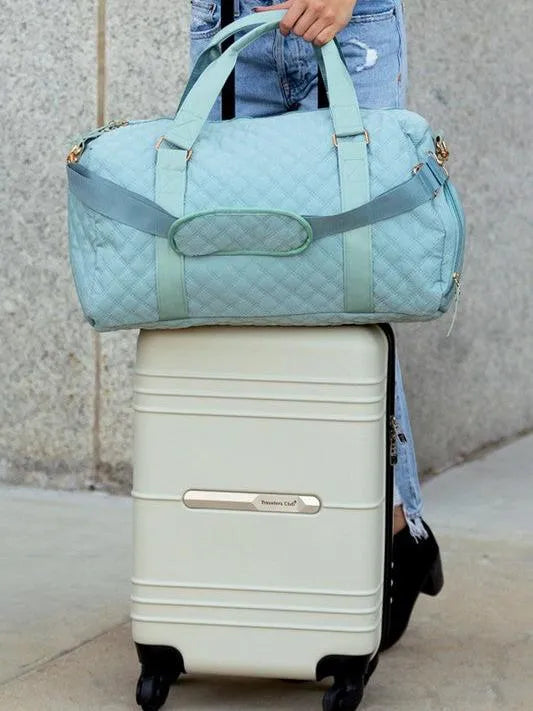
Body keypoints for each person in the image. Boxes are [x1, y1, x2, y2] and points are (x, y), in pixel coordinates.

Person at [188, 0, 444, 650]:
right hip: (229, 17)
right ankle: (281, 536)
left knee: (350, 282)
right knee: (233, 274)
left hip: (351, 23)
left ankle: (392, 529)